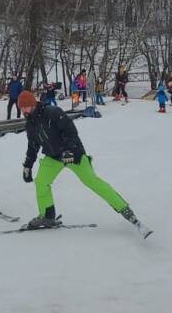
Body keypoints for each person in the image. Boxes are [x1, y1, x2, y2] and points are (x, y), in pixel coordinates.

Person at [17, 91, 146, 235]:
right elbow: (33, 145)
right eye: (22, 108)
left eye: (26, 107)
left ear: (33, 104)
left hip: (73, 155)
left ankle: (124, 209)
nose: (24, 110)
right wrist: (28, 165)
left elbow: (70, 131)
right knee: (41, 182)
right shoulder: (30, 124)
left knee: (92, 181)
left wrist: (70, 150)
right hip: (53, 157)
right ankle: (47, 217)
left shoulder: (52, 112)